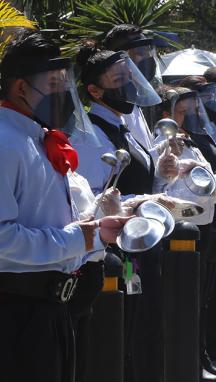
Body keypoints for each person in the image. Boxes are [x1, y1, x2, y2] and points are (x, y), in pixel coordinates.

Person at [0, 30, 128, 382]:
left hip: (53, 309)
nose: (62, 93)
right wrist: (79, 239)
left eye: (63, 82)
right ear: (22, 88)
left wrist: (97, 229)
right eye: (53, 83)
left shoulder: (37, 137)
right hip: (16, 314)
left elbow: (48, 217)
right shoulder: (6, 142)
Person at [73, 41, 178, 382]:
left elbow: (135, 180)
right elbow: (93, 199)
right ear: (94, 90)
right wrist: (139, 200)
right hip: (114, 253)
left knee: (139, 329)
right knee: (116, 339)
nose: (130, 84)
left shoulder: (123, 128)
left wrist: (162, 174)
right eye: (119, 79)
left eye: (129, 76)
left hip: (140, 244)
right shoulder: (90, 136)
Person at [154, 85, 216, 381]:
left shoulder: (192, 145)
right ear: (167, 116)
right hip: (179, 235)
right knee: (184, 302)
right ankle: (186, 363)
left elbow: (212, 191)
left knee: (202, 299)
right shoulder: (161, 147)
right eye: (183, 111)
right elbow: (164, 191)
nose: (190, 116)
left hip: (206, 228)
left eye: (194, 110)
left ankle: (199, 356)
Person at [103, 24, 162, 153]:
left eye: (148, 51)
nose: (148, 58)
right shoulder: (116, 104)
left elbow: (145, 151)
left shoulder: (135, 100)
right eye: (141, 53)